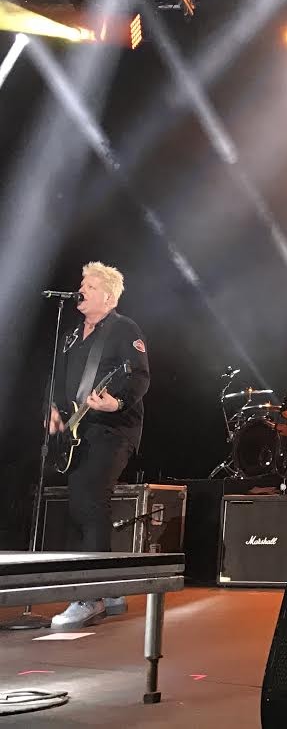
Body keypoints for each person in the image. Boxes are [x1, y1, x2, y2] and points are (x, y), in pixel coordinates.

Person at [47, 262, 150, 630]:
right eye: (82, 284)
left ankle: (90, 597)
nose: (81, 290)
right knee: (84, 505)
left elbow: (140, 376)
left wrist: (116, 402)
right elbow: (57, 381)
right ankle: (110, 588)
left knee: (89, 500)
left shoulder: (124, 329)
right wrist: (53, 411)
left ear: (108, 297)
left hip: (113, 429)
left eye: (89, 286)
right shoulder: (71, 336)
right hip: (79, 431)